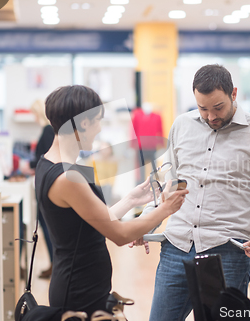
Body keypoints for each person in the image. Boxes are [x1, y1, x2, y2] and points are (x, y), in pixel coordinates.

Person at [136, 64, 250, 320]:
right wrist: (145, 222)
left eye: (218, 107)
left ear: (234, 93)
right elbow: (169, 185)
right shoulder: (181, 126)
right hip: (176, 248)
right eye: (203, 109)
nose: (210, 116)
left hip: (228, 254)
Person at [36, 85, 188, 317]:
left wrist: (130, 200)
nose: (99, 130)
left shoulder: (48, 164)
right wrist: (166, 209)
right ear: (84, 123)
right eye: (98, 121)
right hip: (79, 290)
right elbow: (119, 235)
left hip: (79, 284)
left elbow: (90, 222)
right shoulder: (69, 177)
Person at [28, 99, 56, 279]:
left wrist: (30, 164)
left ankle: (55, 263)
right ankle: (54, 263)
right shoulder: (51, 130)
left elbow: (44, 157)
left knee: (48, 225)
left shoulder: (47, 131)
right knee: (47, 225)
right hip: (48, 181)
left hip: (47, 182)